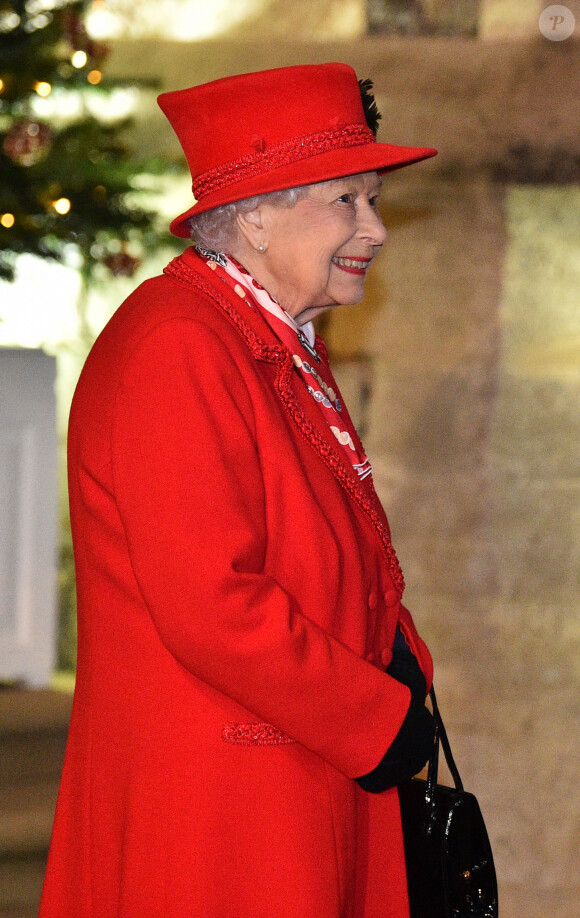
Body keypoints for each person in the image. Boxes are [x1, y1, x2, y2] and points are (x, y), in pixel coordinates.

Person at [40, 62, 438, 918]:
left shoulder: (259, 336)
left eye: (374, 199)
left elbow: (328, 547)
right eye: (348, 200)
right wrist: (376, 715)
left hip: (287, 774)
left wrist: (399, 663)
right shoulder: (177, 345)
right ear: (257, 213)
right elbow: (213, 603)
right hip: (222, 814)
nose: (375, 228)